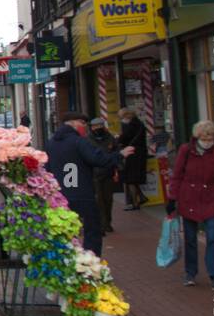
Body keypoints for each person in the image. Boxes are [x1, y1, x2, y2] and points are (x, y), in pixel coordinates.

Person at [43, 112, 134, 255]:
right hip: (82, 193)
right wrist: (120, 155)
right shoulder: (79, 142)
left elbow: (47, 169)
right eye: (83, 124)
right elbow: (98, 159)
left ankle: (67, 261)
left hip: (60, 195)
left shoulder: (51, 143)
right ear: (74, 123)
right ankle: (90, 264)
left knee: (64, 232)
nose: (85, 127)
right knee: (92, 230)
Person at [167, 120, 214, 291]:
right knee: (191, 239)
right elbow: (177, 175)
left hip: (210, 198)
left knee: (212, 238)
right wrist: (172, 198)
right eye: (204, 138)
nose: (208, 142)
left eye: (211, 138)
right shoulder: (186, 150)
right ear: (197, 137)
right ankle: (190, 273)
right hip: (189, 198)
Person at [88, 117, 118, 234]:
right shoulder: (88, 140)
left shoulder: (110, 138)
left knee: (108, 199)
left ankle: (108, 221)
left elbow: (116, 152)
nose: (97, 129)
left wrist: (116, 167)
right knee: (98, 199)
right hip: (95, 174)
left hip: (108, 172)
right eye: (95, 127)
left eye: (100, 126)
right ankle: (103, 224)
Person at [116, 108, 148, 209]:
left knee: (130, 179)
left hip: (133, 153)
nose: (121, 120)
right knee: (133, 177)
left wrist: (118, 138)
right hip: (140, 152)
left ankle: (135, 203)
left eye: (121, 117)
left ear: (126, 116)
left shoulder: (130, 126)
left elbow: (124, 138)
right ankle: (141, 197)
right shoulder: (139, 124)